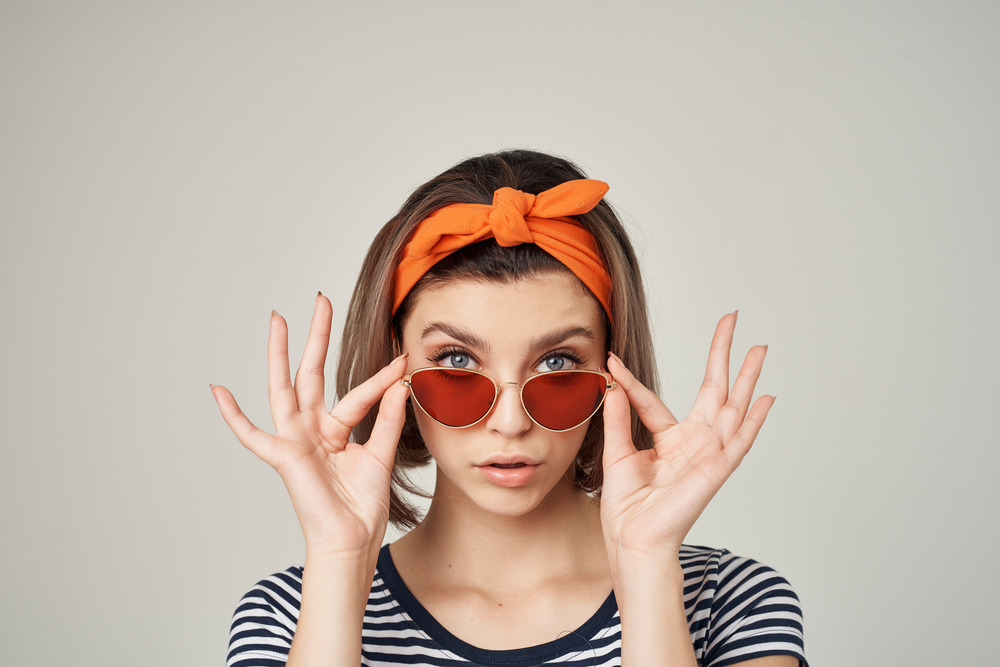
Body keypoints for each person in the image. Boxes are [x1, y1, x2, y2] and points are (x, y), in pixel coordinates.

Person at [211, 149, 807, 666]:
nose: (511, 422)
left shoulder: (731, 602)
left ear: (611, 367)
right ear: (397, 367)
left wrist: (647, 563)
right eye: (458, 363)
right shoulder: (287, 615)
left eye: (556, 364)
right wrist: (341, 562)